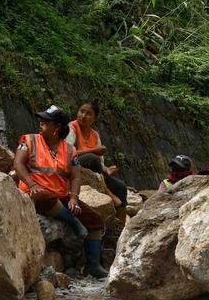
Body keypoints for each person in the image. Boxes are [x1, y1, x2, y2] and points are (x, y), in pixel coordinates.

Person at [14, 105, 108, 278]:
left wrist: (73, 198)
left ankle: (93, 266)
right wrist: (32, 184)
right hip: (35, 193)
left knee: (95, 220)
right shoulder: (29, 140)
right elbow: (18, 164)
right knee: (43, 195)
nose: (41, 123)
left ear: (57, 127)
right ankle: (73, 222)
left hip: (60, 196)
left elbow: (76, 177)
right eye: (41, 120)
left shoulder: (70, 150)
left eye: (46, 121)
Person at [67, 101, 129, 222]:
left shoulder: (95, 135)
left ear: (94, 118)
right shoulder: (71, 127)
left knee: (121, 186)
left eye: (88, 113)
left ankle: (120, 224)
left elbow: (99, 163)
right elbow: (67, 153)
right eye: (81, 111)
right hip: (72, 166)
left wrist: (106, 169)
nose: (83, 115)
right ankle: (107, 191)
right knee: (91, 157)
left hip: (94, 171)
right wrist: (94, 150)